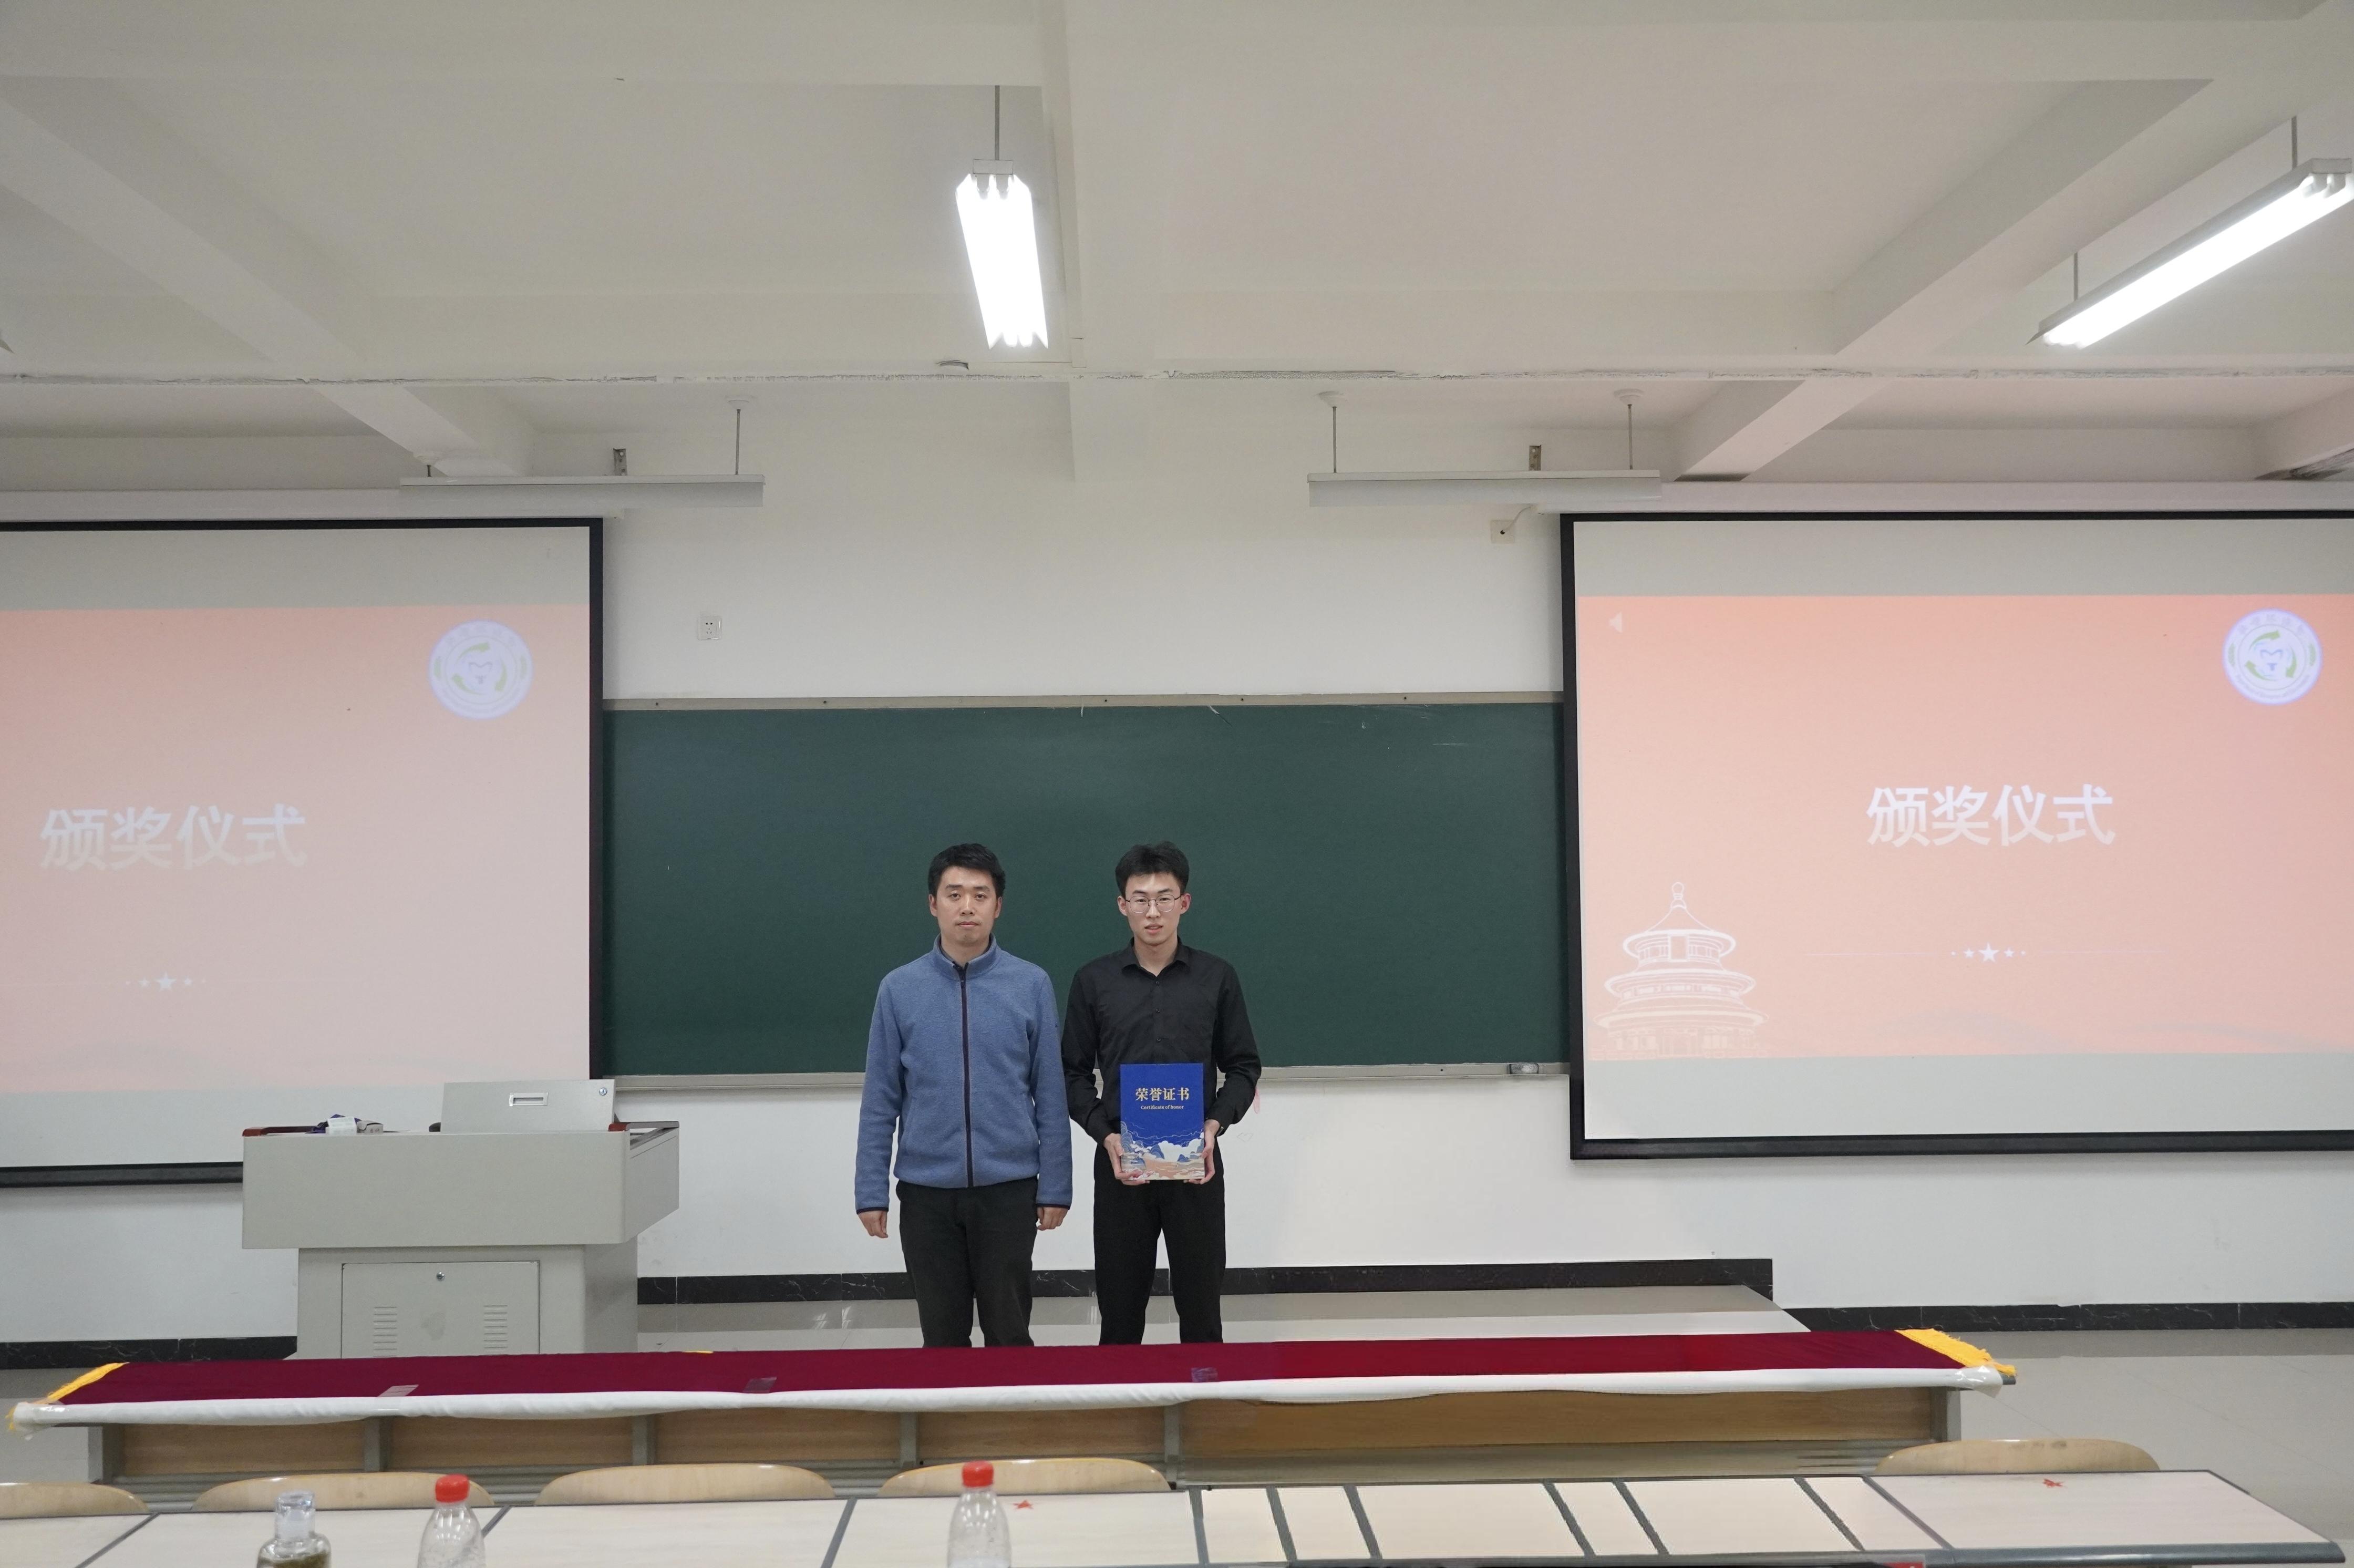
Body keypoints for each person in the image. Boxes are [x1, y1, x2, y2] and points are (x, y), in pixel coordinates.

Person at [855, 843, 1071, 1347]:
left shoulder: (1031, 984)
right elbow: (881, 1099)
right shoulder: (898, 989)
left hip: (1009, 1190)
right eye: (954, 894)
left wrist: (1056, 1185)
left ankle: (1009, 1403)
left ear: (998, 905)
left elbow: (1050, 1092)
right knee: (942, 1339)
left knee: (1009, 1333)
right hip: (926, 1193)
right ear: (934, 903)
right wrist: (870, 1190)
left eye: (980, 894)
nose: (967, 906)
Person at [1064, 841, 1262, 1344]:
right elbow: (1071, 1074)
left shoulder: (1217, 977)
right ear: (1122, 905)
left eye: (1164, 898)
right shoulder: (1093, 981)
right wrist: (1105, 1136)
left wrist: (1214, 1126)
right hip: (1121, 1167)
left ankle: (1202, 1393)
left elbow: (1243, 1067)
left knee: (1201, 1312)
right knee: (1120, 1313)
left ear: (1184, 902)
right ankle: (1121, 1394)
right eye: (1141, 899)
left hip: (1196, 1165)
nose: (1153, 912)